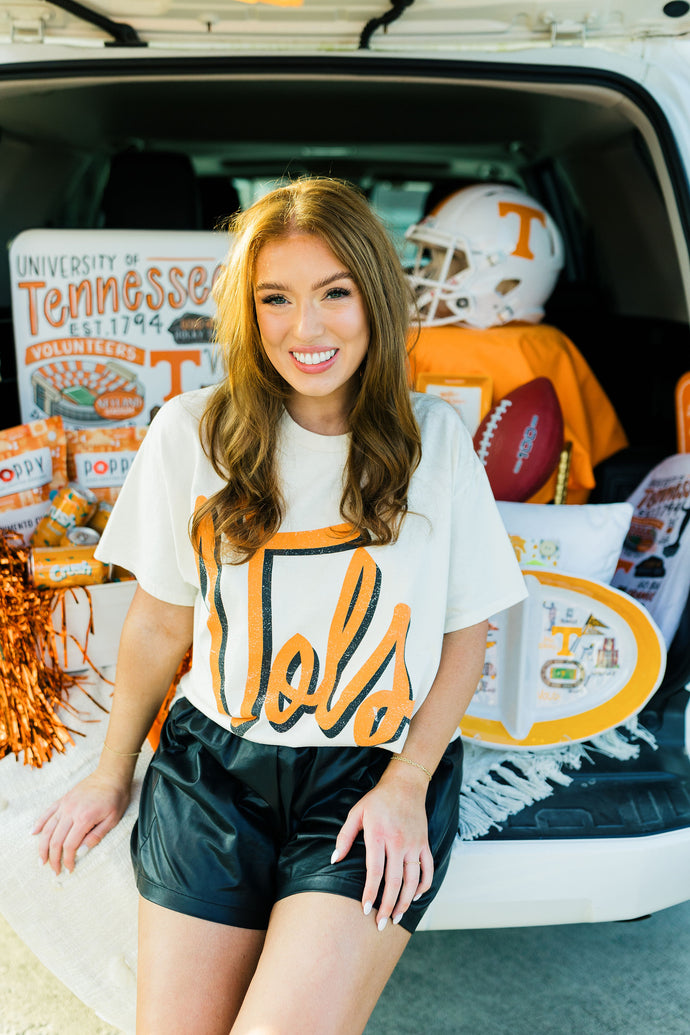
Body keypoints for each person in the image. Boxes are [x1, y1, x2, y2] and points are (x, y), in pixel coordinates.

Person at [33, 178, 526, 1035]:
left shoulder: (435, 439)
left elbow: (465, 634)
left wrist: (408, 782)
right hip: (213, 774)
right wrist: (113, 771)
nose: (307, 328)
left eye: (334, 292)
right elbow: (158, 621)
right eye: (276, 298)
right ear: (247, 312)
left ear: (373, 295)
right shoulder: (192, 431)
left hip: (366, 773)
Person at [406, 182, 628, 503]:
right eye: (432, 256)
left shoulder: (535, 347)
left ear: (506, 282)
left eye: (450, 259)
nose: (428, 272)